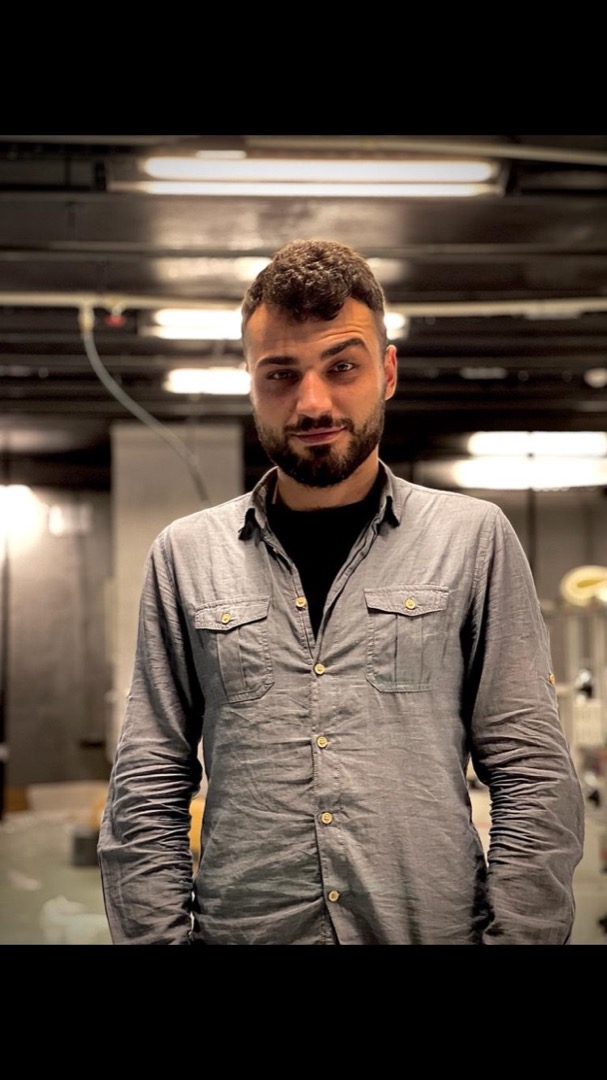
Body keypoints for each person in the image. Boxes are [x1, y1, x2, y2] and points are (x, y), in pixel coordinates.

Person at [98, 238, 585, 945]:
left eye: (341, 366)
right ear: (250, 382)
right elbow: (147, 780)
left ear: (386, 372)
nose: (312, 401)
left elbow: (531, 771)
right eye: (280, 373)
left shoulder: (472, 539)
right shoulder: (186, 555)